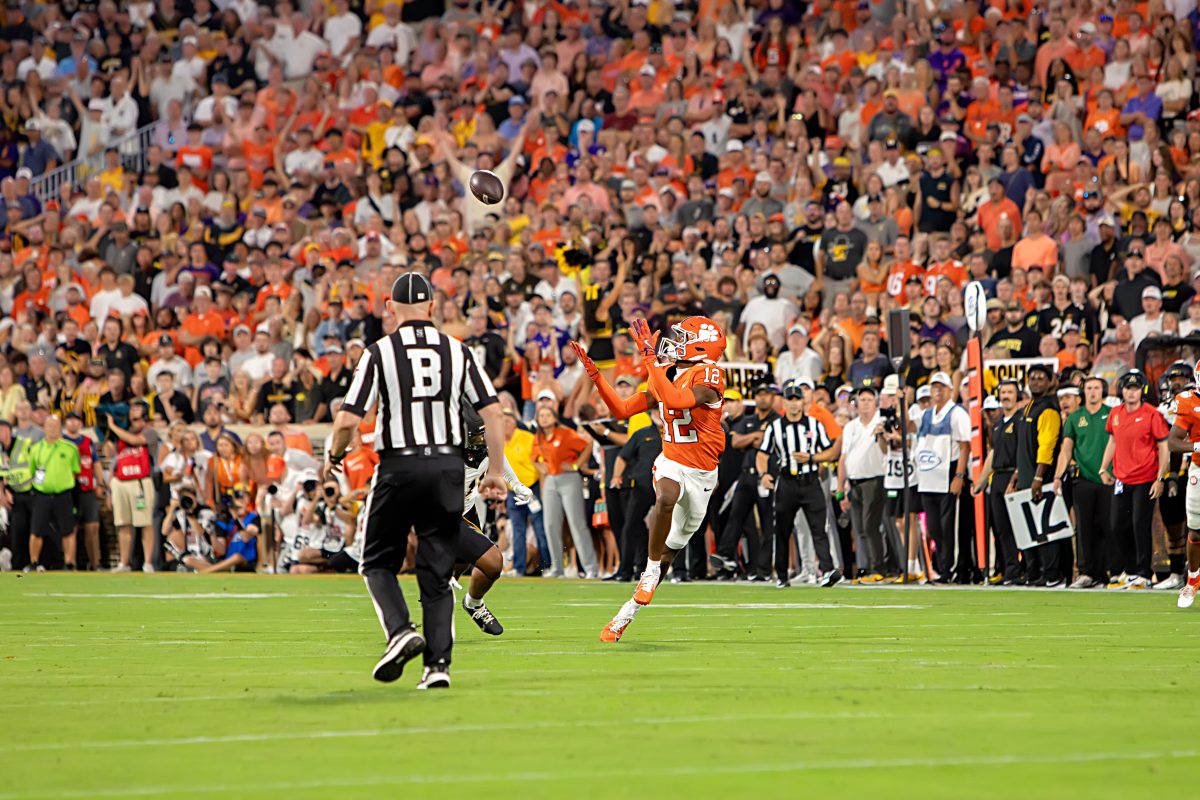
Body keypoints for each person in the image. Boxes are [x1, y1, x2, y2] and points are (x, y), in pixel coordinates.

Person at [326, 272, 507, 690]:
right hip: (446, 467)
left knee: (375, 561)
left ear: (390, 308)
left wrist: (334, 456)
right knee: (438, 568)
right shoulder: (457, 350)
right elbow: (494, 413)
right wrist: (495, 471)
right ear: (432, 307)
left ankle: (400, 631)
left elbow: (349, 419)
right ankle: (438, 667)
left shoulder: (379, 352)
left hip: (399, 465)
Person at [573, 315, 726, 643]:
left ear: (701, 346)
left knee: (672, 550)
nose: (675, 342)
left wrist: (649, 359)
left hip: (703, 474)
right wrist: (596, 377)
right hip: (671, 460)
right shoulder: (667, 371)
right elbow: (621, 409)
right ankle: (650, 569)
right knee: (665, 497)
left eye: (684, 337)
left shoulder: (711, 373)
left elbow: (678, 400)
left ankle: (626, 613)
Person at [457, 405, 533, 634]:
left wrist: (517, 484)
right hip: (444, 516)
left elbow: (497, 457)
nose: (482, 440)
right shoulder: (445, 453)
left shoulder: (482, 446)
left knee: (465, 563)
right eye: (477, 435)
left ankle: (470, 602)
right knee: (493, 561)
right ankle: (445, 598)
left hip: (467, 510)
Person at [759, 379, 843, 588]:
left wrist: (813, 458)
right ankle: (782, 575)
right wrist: (763, 474)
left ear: (803, 403)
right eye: (791, 400)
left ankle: (828, 570)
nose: (795, 404)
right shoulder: (775, 427)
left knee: (818, 529)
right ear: (784, 403)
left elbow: (831, 452)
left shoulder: (815, 425)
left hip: (811, 481)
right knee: (783, 530)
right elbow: (762, 453)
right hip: (786, 482)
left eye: (798, 400)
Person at [1100, 370, 1169, 590]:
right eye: (1128, 388)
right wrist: (1103, 468)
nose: (1131, 392)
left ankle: (1143, 573)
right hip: (1122, 478)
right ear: (1122, 390)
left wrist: (1160, 478)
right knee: (1117, 526)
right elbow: (1112, 442)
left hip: (1145, 477)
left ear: (1142, 391)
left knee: (1140, 524)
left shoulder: (1151, 414)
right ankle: (1130, 570)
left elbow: (1164, 447)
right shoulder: (1116, 414)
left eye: (1136, 388)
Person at [709, 379, 780, 580]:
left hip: (766, 475)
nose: (762, 398)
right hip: (746, 475)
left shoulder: (777, 419)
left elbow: (770, 442)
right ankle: (726, 556)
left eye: (766, 394)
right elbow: (736, 441)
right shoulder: (748, 420)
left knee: (766, 525)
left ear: (772, 398)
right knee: (735, 517)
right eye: (759, 394)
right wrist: (758, 435)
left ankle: (763, 570)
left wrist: (754, 438)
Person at [1056, 376, 1116, 589]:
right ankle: (1086, 571)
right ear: (1084, 392)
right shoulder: (1075, 418)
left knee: (1108, 525)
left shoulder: (1111, 414)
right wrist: (1058, 476)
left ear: (1103, 391)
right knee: (1084, 527)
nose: (1092, 392)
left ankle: (1108, 572)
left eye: (1096, 388)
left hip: (1108, 477)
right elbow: (1066, 449)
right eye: (1088, 388)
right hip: (1083, 479)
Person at [913, 371, 974, 583]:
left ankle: (952, 568)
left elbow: (965, 446)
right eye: (934, 387)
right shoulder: (927, 414)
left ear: (949, 390)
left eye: (941, 387)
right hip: (929, 476)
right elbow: (911, 428)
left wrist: (959, 475)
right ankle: (941, 567)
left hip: (948, 472)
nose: (937, 391)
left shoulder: (957, 414)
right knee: (934, 527)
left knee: (950, 526)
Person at [1008, 363, 1063, 587]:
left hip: (1042, 480)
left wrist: (1039, 477)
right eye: (1032, 378)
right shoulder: (1028, 408)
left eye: (1041, 378)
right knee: (1030, 529)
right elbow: (1025, 447)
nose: (1036, 381)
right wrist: (1017, 476)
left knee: (1046, 528)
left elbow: (1046, 446)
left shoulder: (1048, 409)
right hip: (1026, 477)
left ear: (1051, 382)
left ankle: (1052, 574)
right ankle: (1036, 572)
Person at [531, 404, 599, 578]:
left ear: (555, 417)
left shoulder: (566, 433)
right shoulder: (538, 437)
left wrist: (577, 465)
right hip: (551, 481)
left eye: (548, 415)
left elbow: (587, 445)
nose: (544, 418)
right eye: (541, 415)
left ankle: (591, 568)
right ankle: (556, 568)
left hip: (569, 478)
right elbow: (533, 458)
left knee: (577, 523)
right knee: (550, 524)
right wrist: (541, 467)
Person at [973, 381, 1022, 584]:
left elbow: (1023, 452)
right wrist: (980, 482)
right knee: (1001, 528)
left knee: (1017, 527)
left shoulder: (1021, 421)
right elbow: (993, 455)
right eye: (1003, 392)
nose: (1006, 396)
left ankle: (1026, 570)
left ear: (1017, 395)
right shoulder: (998, 425)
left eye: (1010, 392)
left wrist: (1017, 478)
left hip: (1014, 476)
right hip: (998, 478)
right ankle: (1010, 571)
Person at [837, 385, 886, 581]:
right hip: (854, 482)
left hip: (874, 479)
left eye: (869, 399)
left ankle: (877, 567)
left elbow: (885, 450)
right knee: (858, 528)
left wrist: (881, 434)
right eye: (861, 400)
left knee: (870, 525)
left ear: (876, 403)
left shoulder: (881, 422)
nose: (864, 403)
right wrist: (840, 489)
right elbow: (843, 458)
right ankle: (865, 567)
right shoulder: (851, 427)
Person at [106, 401, 158, 572]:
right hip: (121, 481)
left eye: (137, 408)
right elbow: (112, 456)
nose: (133, 412)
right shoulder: (122, 433)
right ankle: (124, 562)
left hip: (140, 481)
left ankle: (148, 562)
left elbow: (135, 441)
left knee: (145, 522)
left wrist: (113, 427)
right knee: (123, 523)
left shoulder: (149, 431)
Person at [26, 415, 80, 572]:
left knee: (68, 530)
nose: (52, 429)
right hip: (42, 494)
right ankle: (34, 562)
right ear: (44, 428)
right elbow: (32, 471)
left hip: (63, 494)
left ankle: (70, 563)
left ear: (60, 428)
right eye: (49, 426)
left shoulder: (70, 448)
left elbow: (75, 471)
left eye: (56, 426)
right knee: (36, 530)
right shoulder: (35, 449)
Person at [63, 411, 103, 572]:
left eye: (76, 420)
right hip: (69, 489)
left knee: (92, 527)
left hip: (87, 489)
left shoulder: (87, 441)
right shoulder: (61, 442)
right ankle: (70, 563)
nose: (73, 423)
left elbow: (96, 463)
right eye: (70, 420)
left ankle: (95, 563)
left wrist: (100, 483)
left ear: (80, 423)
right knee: (69, 528)